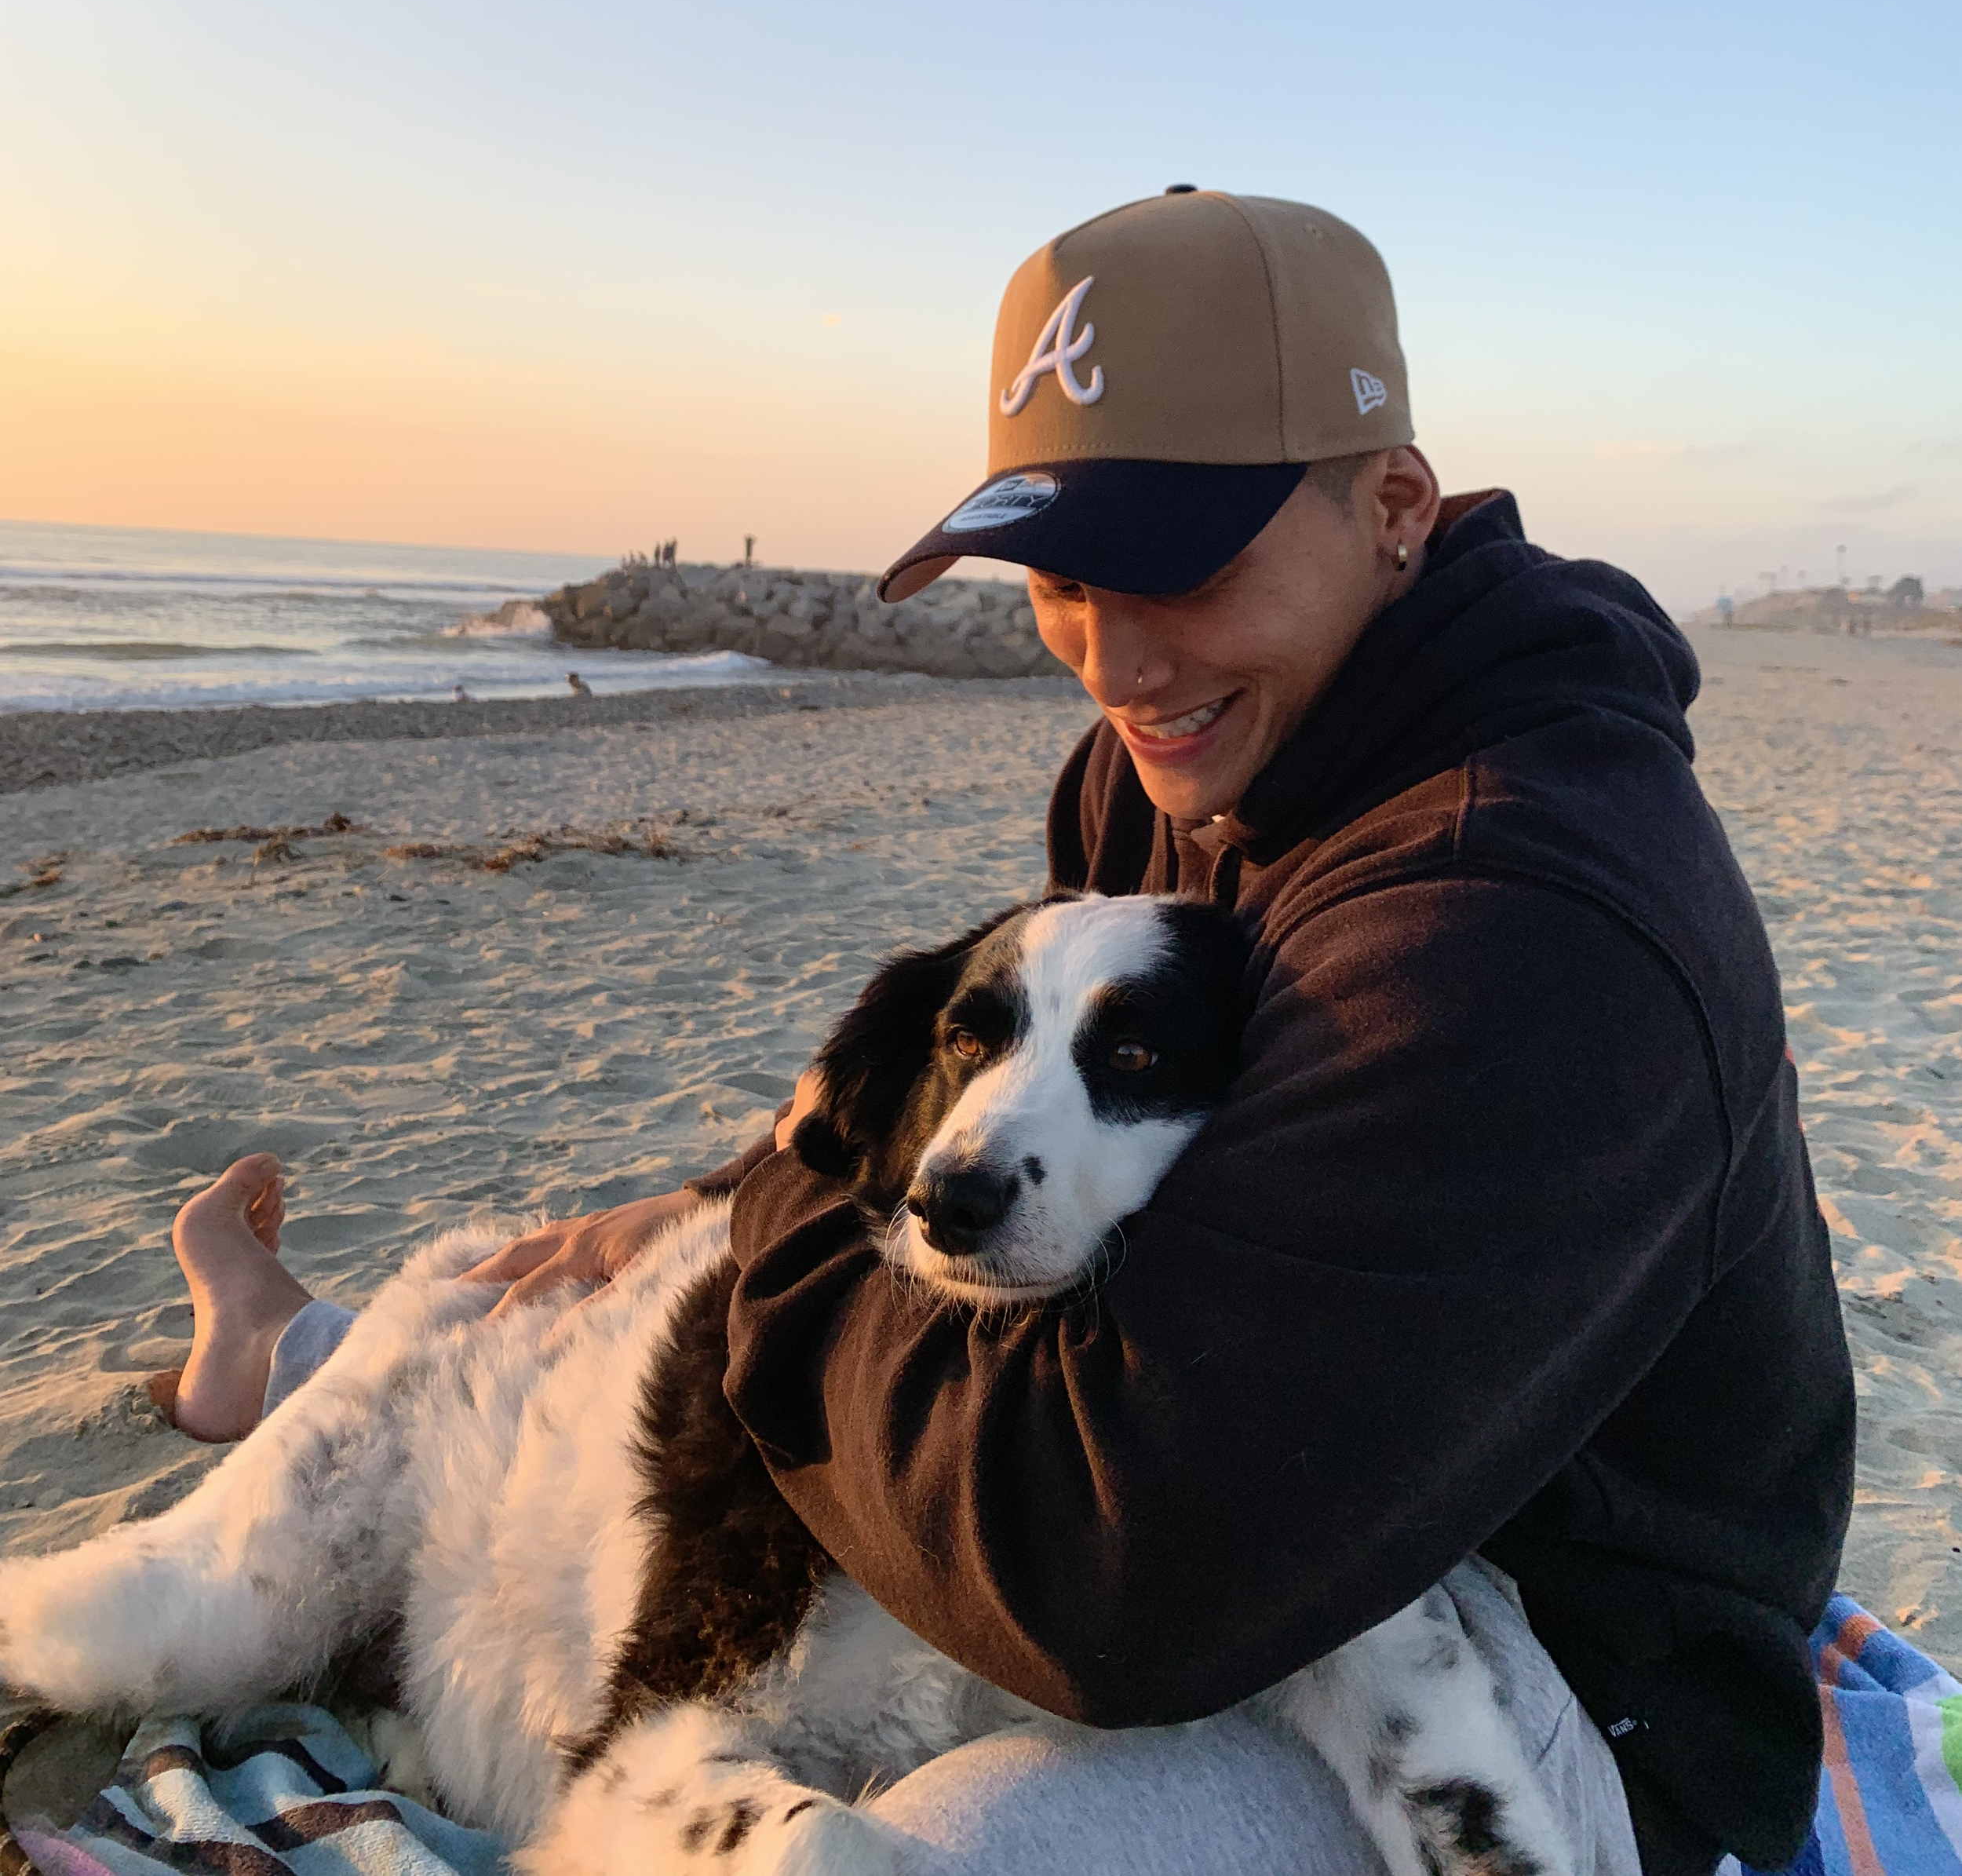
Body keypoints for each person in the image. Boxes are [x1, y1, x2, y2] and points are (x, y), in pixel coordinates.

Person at [157, 190, 1852, 1876]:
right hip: (1242, 1487)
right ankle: (297, 1352)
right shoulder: (1187, 751)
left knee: (967, 1844)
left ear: (1392, 504)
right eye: (1053, 575)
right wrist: (728, 1190)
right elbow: (1003, 1124)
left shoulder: (1519, 925)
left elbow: (1111, 1573)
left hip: (1532, 1656)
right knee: (600, 1339)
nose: (1113, 661)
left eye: (1178, 564)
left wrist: (774, 1214)